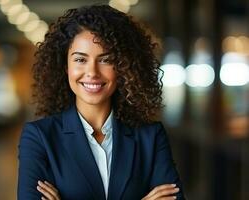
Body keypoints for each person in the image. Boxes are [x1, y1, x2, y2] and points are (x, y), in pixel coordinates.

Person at [17, 4, 186, 200]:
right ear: (65, 66)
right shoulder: (40, 137)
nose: (92, 73)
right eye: (80, 60)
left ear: (123, 66)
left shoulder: (150, 136)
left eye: (105, 60)